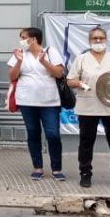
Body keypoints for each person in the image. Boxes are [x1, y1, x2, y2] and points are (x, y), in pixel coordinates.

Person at [67, 27, 110, 190]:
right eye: (94, 38)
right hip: (88, 106)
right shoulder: (81, 59)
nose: (98, 41)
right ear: (89, 41)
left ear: (106, 39)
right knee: (86, 142)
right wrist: (79, 83)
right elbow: (70, 80)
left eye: (101, 38)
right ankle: (85, 174)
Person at [8, 27, 67, 181]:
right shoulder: (20, 53)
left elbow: (59, 73)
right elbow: (12, 76)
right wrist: (19, 61)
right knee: (33, 133)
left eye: (24, 37)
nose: (21, 40)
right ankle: (37, 167)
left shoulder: (50, 51)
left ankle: (56, 168)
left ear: (34, 39)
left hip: (49, 101)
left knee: (52, 134)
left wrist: (44, 61)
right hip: (26, 100)